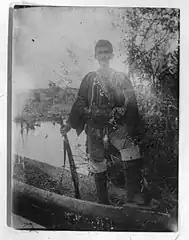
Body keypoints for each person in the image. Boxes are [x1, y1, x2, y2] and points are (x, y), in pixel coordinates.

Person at [60, 40, 144, 205]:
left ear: (111, 55)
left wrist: (131, 126)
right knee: (97, 162)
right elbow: (80, 102)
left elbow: (131, 101)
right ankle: (103, 203)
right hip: (94, 127)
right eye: (100, 53)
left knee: (131, 149)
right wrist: (69, 124)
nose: (104, 56)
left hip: (114, 126)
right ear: (96, 56)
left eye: (107, 52)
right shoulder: (90, 79)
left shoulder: (120, 77)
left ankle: (131, 198)